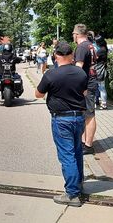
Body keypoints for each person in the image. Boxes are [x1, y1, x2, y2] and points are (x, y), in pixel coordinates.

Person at [35, 41, 87, 207]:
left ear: (56, 56)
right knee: (77, 151)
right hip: (79, 117)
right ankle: (78, 184)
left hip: (61, 119)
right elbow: (84, 92)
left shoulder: (51, 74)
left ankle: (72, 194)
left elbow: (38, 94)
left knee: (67, 155)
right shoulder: (81, 73)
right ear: (71, 55)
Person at [72, 24, 99, 155]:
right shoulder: (90, 44)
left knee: (89, 114)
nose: (73, 36)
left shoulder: (81, 47)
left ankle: (88, 145)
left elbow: (78, 69)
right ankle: (84, 142)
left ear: (77, 34)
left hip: (87, 85)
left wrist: (73, 85)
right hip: (91, 82)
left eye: (73, 34)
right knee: (86, 114)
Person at [94, 35, 109, 110]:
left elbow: (94, 58)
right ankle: (103, 103)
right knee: (102, 88)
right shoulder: (105, 48)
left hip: (99, 70)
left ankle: (103, 104)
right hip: (102, 69)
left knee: (101, 88)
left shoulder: (101, 50)